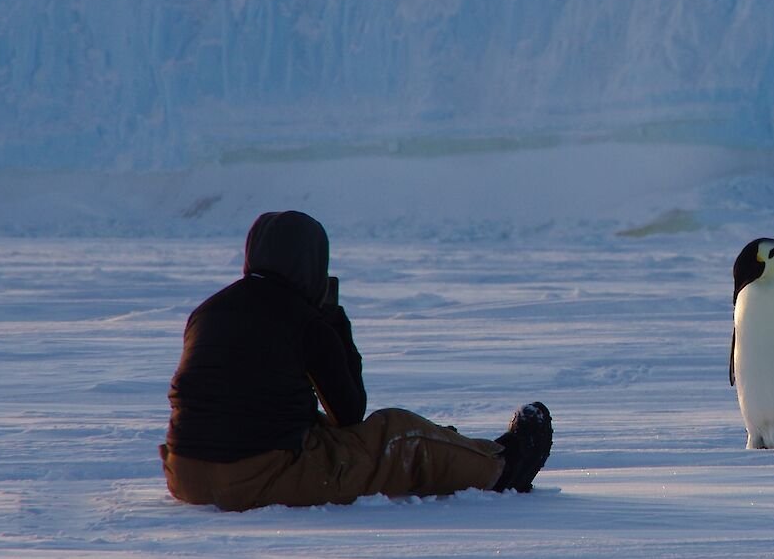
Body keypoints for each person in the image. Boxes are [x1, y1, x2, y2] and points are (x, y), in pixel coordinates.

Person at [161, 210, 551, 511]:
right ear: (312, 263)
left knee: (313, 425)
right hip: (260, 477)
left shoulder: (208, 310)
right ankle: (503, 470)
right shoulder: (304, 320)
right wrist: (334, 324)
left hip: (185, 474)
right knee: (399, 434)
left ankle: (456, 448)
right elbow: (350, 413)